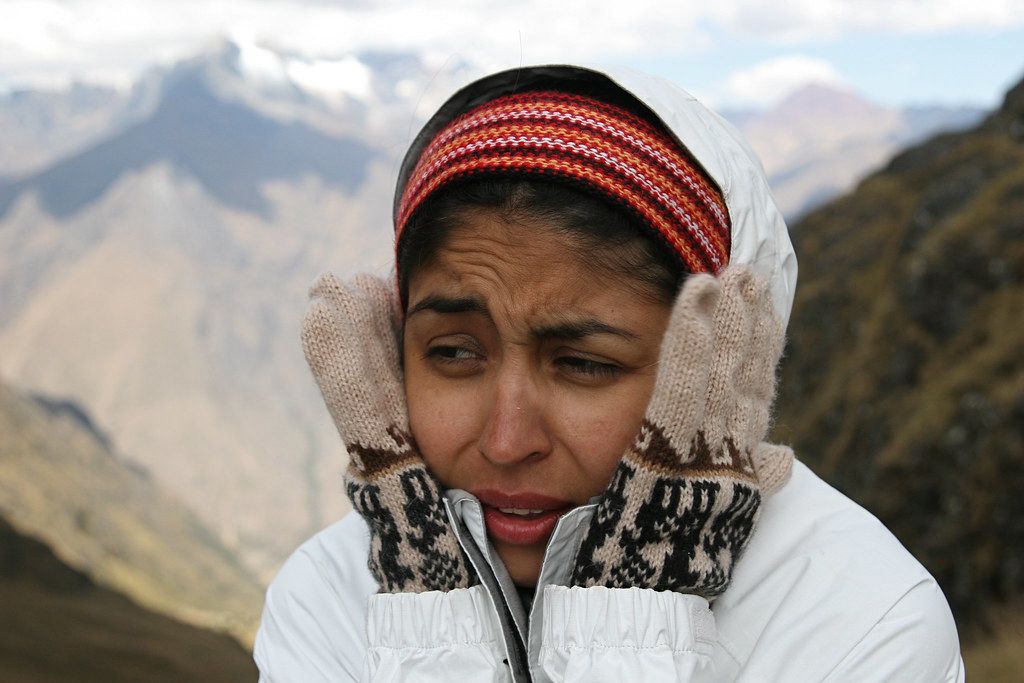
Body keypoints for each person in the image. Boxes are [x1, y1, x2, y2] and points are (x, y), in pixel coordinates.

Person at [254, 64, 965, 682]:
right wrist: (427, 618)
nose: (507, 439)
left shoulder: (864, 623)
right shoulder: (332, 596)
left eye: (585, 364)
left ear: (717, 365)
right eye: (453, 352)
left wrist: (635, 619)